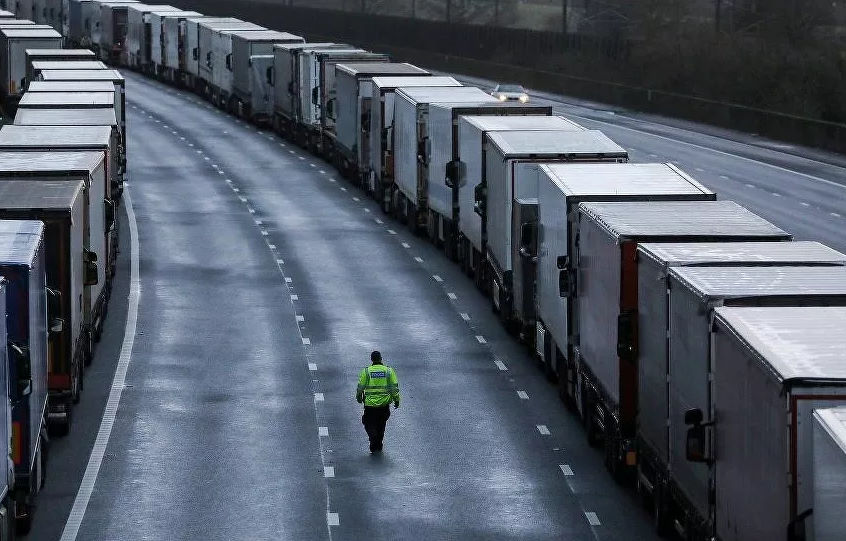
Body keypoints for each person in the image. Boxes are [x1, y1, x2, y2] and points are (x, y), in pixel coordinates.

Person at [356, 350, 400, 453]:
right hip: (384, 405)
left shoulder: (366, 371)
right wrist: (397, 400)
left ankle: (373, 438)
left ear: (371, 360)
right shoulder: (388, 371)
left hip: (370, 405)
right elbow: (394, 388)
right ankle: (378, 445)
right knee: (381, 425)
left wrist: (358, 398)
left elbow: (360, 387)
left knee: (368, 423)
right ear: (381, 359)